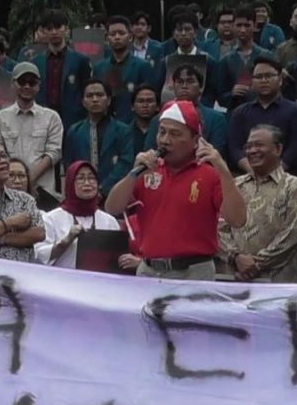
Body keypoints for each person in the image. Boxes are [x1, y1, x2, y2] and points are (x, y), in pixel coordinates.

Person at [106, 100, 247, 280]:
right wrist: (134, 173)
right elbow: (112, 208)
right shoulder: (148, 171)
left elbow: (238, 220)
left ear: (195, 140)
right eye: (162, 131)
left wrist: (224, 170)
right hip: (149, 270)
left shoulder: (209, 174)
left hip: (193, 272)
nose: (165, 140)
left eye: (174, 134)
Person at [216, 124, 297, 282]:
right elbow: (218, 227)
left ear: (278, 149)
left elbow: (292, 235)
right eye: (248, 146)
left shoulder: (295, 187)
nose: (252, 151)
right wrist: (236, 257)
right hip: (232, 277)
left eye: (259, 145)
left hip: (276, 280)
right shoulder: (233, 186)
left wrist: (256, 265)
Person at [227, 55, 297, 183]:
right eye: (258, 77)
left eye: (268, 76)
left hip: (284, 180)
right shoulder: (240, 113)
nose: (264, 80)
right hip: (249, 180)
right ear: (252, 81)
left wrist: (274, 173)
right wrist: (252, 171)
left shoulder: (295, 111)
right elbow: (235, 147)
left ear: (280, 80)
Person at [0, 62, 64, 195]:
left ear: (38, 86)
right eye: (22, 82)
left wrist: (29, 179)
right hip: (9, 188)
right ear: (13, 84)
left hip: (43, 190)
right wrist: (18, 179)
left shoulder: (52, 117)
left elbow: (54, 153)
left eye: (32, 83)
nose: (27, 86)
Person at [34, 161, 119, 268]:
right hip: (63, 281)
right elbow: (39, 256)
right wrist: (65, 241)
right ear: (70, 183)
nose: (87, 183)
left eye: (92, 178)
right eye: (81, 178)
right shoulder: (51, 218)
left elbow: (116, 258)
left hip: (99, 282)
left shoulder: (109, 221)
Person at [62, 78, 134, 196]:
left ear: (109, 100)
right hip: (81, 193)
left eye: (99, 95)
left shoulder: (123, 130)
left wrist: (102, 189)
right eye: (89, 96)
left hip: (114, 193)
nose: (95, 99)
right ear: (83, 102)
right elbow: (70, 166)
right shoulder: (74, 131)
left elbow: (125, 163)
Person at [144, 63, 228, 155]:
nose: (184, 86)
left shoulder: (216, 119)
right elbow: (150, 154)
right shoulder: (159, 119)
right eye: (180, 82)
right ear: (174, 87)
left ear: (201, 88)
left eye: (190, 81)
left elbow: (216, 155)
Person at [31, 9, 92, 127]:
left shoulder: (80, 60)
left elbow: (86, 91)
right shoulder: (36, 62)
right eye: (49, 29)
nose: (54, 32)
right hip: (43, 120)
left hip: (73, 120)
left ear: (66, 29)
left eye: (58, 27)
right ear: (43, 32)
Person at [93, 15, 153, 122]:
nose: (117, 37)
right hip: (105, 124)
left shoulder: (143, 66)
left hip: (132, 124)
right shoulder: (99, 67)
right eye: (112, 34)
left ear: (130, 37)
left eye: (121, 33)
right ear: (107, 38)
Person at [130, 84, 159, 156]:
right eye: (140, 101)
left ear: (158, 107)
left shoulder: (163, 134)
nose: (145, 105)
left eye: (149, 101)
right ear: (132, 107)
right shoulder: (124, 133)